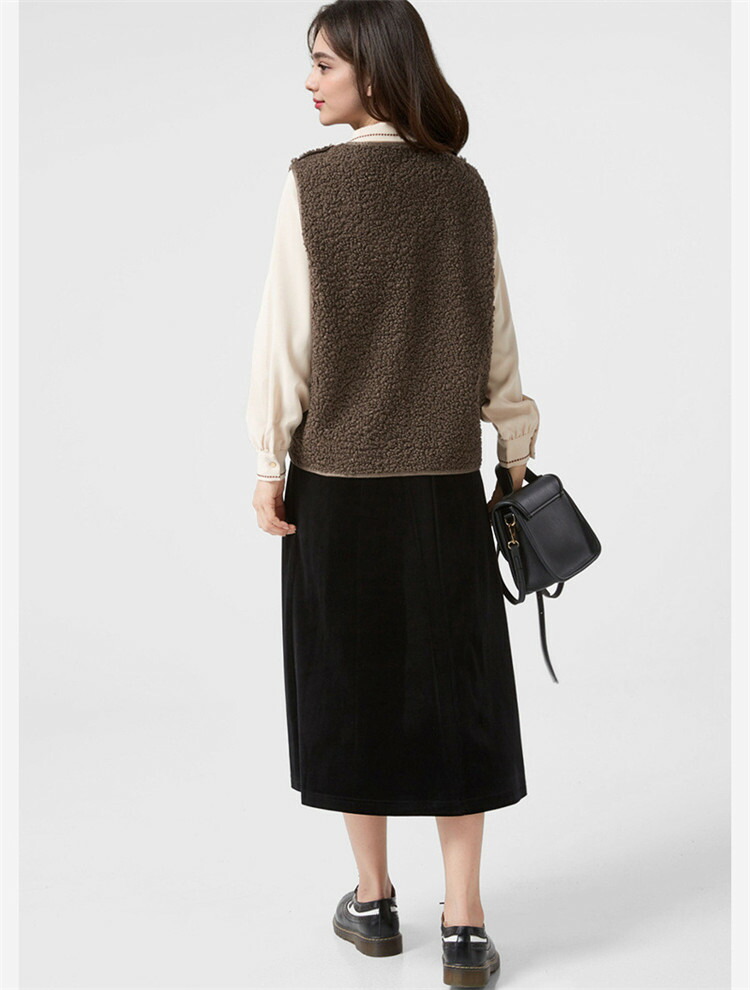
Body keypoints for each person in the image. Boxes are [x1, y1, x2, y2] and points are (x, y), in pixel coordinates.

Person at [245, 2, 541, 985]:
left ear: (372, 70)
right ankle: (466, 923)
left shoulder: (313, 184)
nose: (309, 81)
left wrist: (267, 462)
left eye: (323, 63)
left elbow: (284, 340)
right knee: (459, 696)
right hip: (444, 486)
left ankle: (373, 903)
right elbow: (497, 338)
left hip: (335, 486)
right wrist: (514, 450)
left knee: (350, 689)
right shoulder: (462, 186)